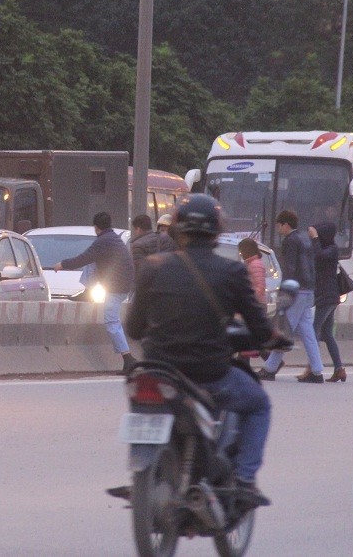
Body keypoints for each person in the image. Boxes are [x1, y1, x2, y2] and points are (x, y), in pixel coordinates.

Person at [126, 194, 287, 500]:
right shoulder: (232, 272)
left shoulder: (152, 266)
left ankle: (142, 477)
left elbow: (133, 327)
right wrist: (274, 338)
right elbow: (258, 326)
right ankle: (243, 479)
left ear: (177, 229)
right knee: (258, 405)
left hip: (159, 371)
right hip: (210, 375)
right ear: (217, 231)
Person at [53, 211, 136, 373]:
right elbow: (90, 260)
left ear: (96, 227)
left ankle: (128, 358)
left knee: (111, 322)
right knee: (92, 263)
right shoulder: (113, 238)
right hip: (123, 284)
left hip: (116, 287)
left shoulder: (103, 241)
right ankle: (87, 290)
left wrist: (62, 264)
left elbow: (83, 258)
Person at [258, 209, 326, 383]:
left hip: (295, 291)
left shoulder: (290, 241)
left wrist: (286, 292)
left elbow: (290, 268)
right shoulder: (305, 238)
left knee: (283, 331)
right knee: (307, 333)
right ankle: (317, 371)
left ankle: (270, 368)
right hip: (308, 290)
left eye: (279, 226)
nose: (278, 229)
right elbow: (314, 263)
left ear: (286, 225)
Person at [309, 222, 345, 383]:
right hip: (327, 296)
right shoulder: (326, 248)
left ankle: (313, 368)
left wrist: (315, 238)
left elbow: (319, 255)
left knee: (314, 331)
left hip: (327, 296)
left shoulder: (332, 249)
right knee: (327, 333)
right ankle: (339, 368)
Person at [238, 237, 266, 307]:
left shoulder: (255, 264)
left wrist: (250, 299)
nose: (240, 254)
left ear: (246, 250)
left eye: (241, 251)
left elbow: (260, 287)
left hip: (256, 303)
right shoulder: (251, 263)